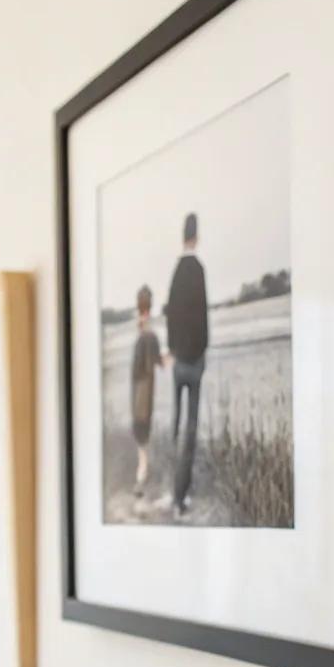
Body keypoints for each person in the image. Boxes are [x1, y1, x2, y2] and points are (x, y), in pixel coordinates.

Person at [165, 211, 209, 519]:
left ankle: (172, 487)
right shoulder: (199, 270)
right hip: (194, 363)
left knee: (176, 423)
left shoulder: (176, 271)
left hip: (178, 361)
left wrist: (173, 349)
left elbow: (170, 314)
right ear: (197, 236)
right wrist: (201, 351)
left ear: (183, 236)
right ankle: (180, 498)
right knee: (190, 430)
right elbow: (202, 318)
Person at [129, 285, 162, 498]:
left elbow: (145, 363)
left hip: (139, 389)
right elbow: (156, 361)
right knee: (143, 436)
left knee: (141, 436)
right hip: (144, 389)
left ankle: (141, 480)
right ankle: (142, 480)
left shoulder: (143, 331)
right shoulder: (149, 332)